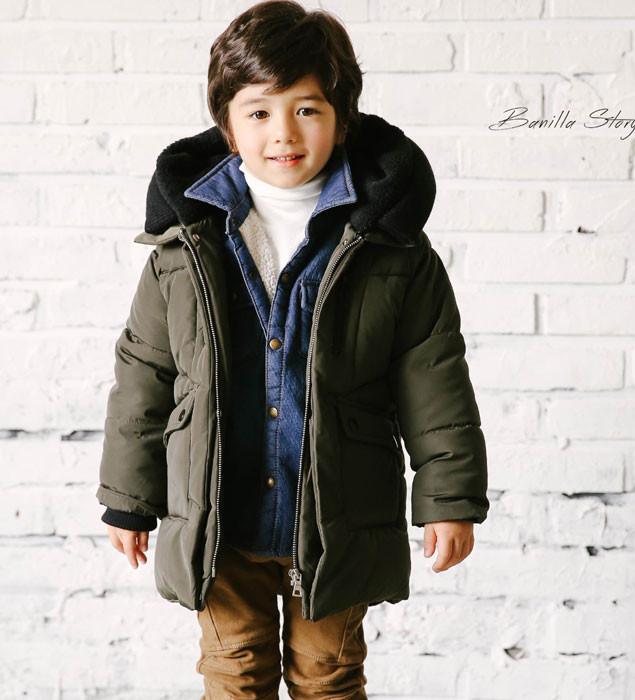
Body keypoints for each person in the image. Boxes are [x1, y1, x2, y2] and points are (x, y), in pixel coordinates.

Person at [95, 1, 489, 697]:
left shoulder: (392, 247)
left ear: (342, 119)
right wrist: (129, 499)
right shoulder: (184, 245)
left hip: (337, 516)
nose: (283, 132)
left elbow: (433, 376)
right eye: (259, 112)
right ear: (227, 126)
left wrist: (449, 498)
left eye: (307, 109)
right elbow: (145, 374)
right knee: (234, 674)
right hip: (218, 516)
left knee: (328, 677)